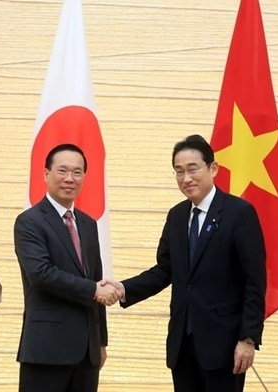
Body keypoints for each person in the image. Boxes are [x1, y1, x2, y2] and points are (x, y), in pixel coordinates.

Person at [103, 134, 267, 392]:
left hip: (224, 346)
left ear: (213, 168)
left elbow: (254, 281)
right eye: (179, 172)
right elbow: (164, 270)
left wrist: (248, 338)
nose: (186, 178)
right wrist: (123, 289)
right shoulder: (177, 216)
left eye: (193, 169)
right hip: (183, 344)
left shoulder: (240, 213)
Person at [14, 143, 120, 392]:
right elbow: (41, 274)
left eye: (77, 172)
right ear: (46, 174)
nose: (69, 178)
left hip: (87, 354)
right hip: (46, 350)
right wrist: (94, 290)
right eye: (62, 171)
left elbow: (97, 279)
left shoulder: (88, 224)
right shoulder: (29, 221)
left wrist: (101, 341)